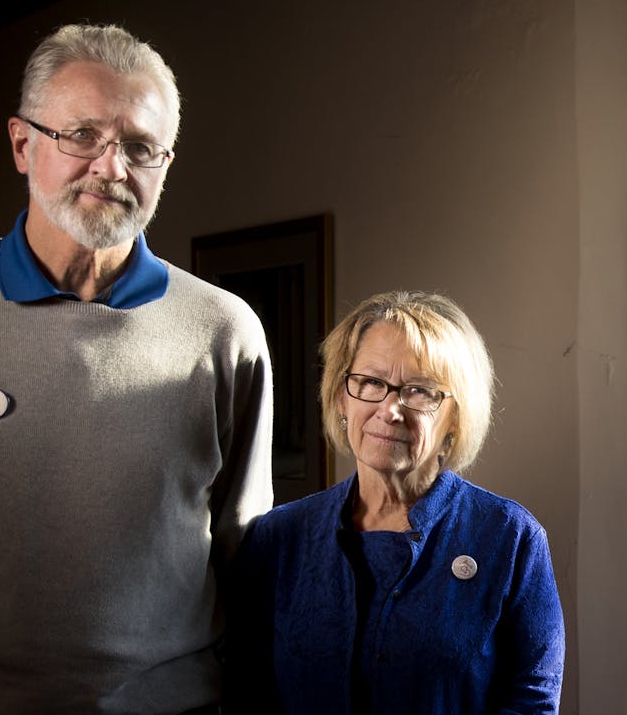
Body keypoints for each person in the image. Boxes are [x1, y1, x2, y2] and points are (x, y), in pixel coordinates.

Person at [0, 24, 273, 715]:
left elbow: (244, 548)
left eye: (140, 147)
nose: (112, 167)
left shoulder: (224, 330)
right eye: (82, 135)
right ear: (22, 144)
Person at [228, 290, 565, 714]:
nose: (390, 409)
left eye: (420, 391)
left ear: (455, 418)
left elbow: (531, 702)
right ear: (340, 398)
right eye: (371, 383)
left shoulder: (511, 539)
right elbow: (247, 690)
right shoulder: (278, 538)